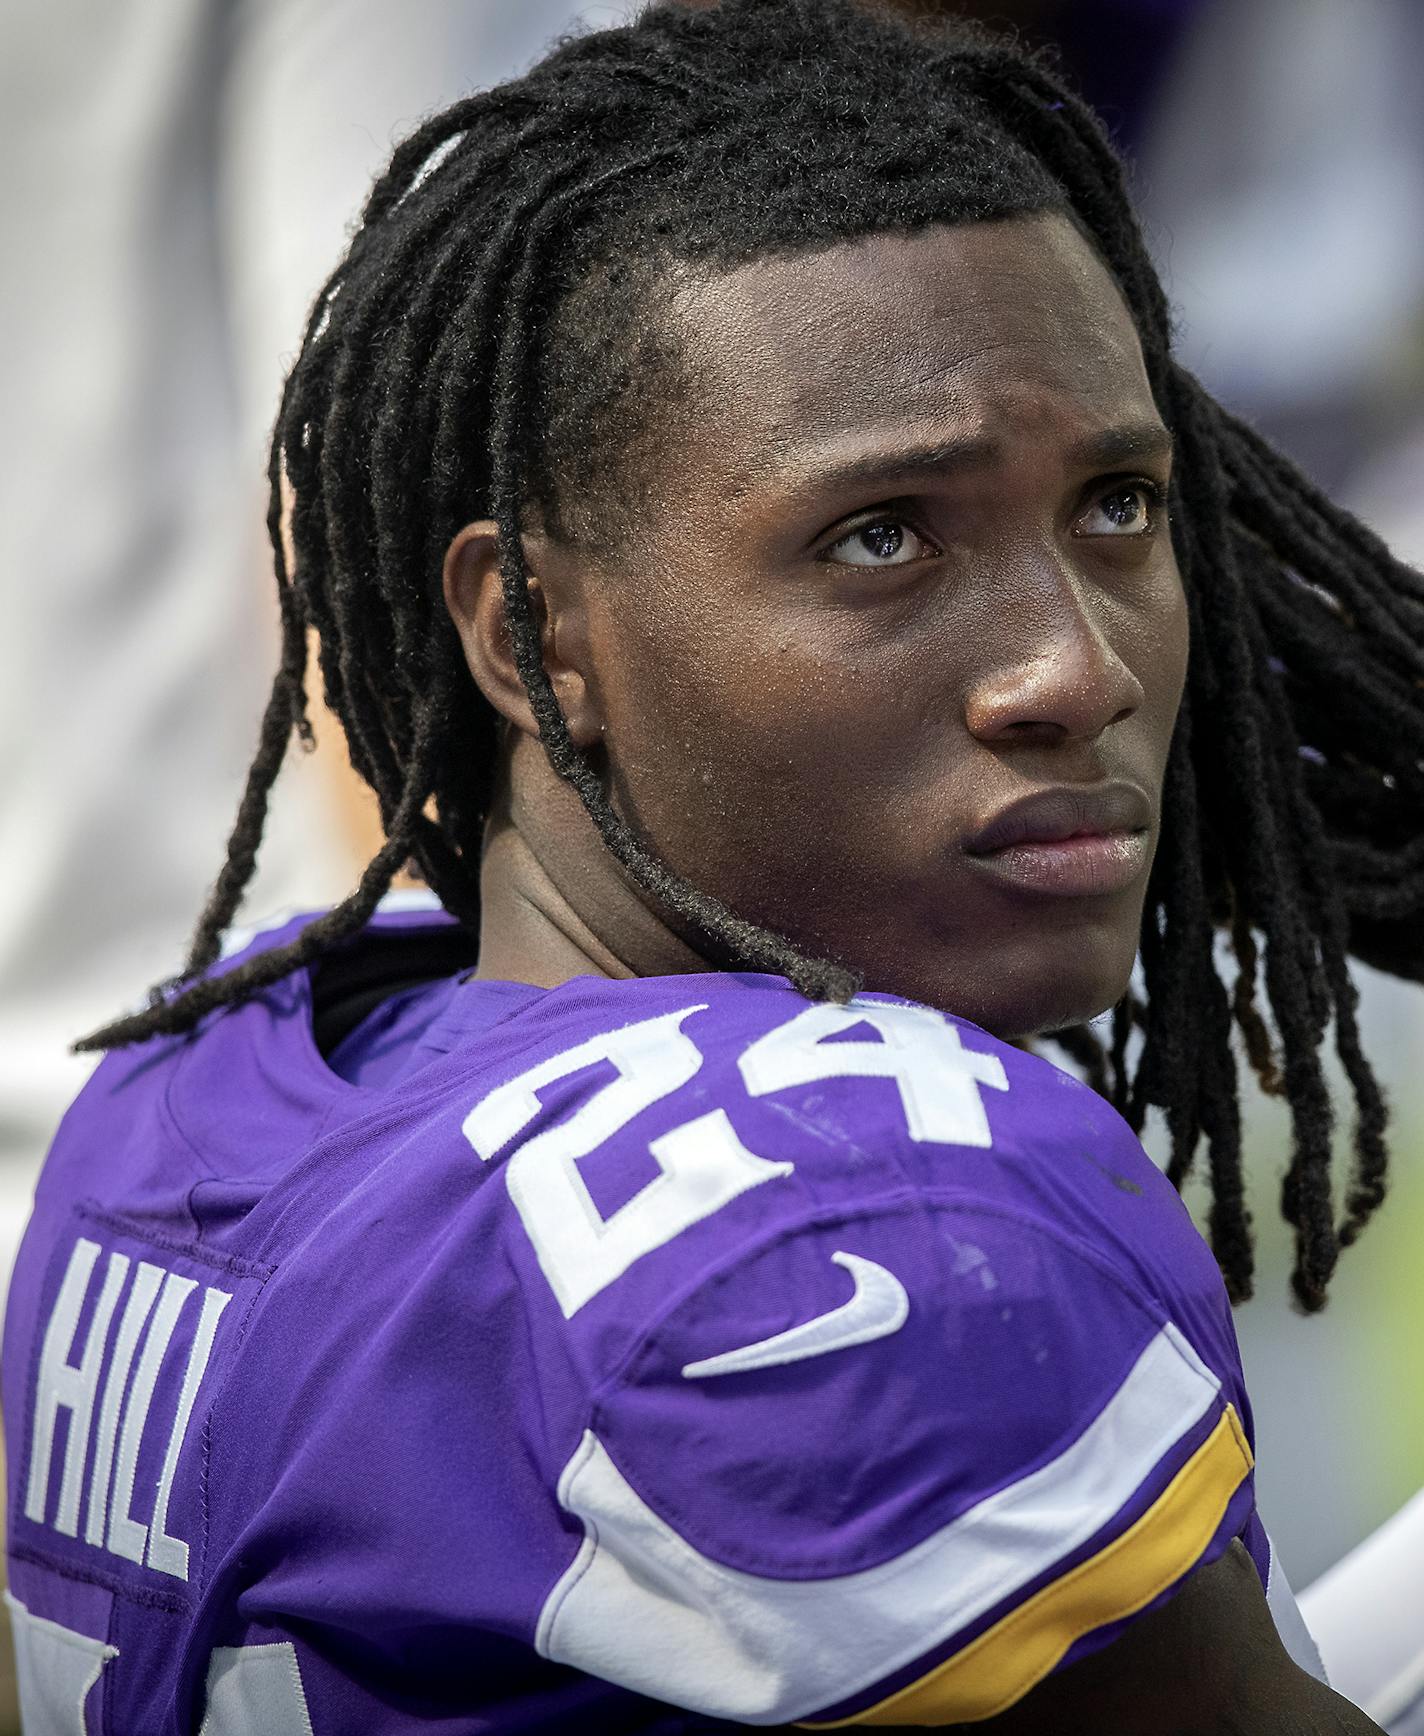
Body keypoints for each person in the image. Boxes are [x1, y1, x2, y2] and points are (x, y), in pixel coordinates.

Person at [5, 0, 1421, 1728]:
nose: (1078, 669)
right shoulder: (859, 1222)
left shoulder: (204, 1072)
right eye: (880, 537)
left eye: (1118, 506)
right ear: (534, 639)